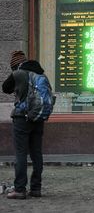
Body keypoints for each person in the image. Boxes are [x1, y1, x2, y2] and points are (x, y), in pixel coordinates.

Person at [2, 50, 46, 199]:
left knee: (21, 153)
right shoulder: (40, 74)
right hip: (38, 118)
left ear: (15, 65)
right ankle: (36, 188)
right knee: (36, 154)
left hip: (22, 118)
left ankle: (20, 189)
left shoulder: (19, 73)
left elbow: (5, 88)